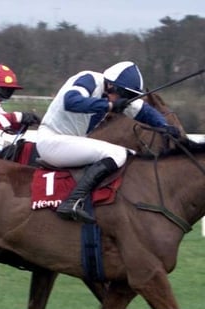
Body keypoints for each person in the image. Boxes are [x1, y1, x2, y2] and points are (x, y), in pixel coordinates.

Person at [35, 61, 179, 224]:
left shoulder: (116, 92)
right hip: (51, 141)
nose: (125, 99)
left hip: (70, 142)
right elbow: (71, 101)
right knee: (118, 154)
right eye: (124, 94)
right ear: (110, 85)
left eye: (129, 96)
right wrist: (109, 105)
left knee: (132, 155)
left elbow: (145, 112)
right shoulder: (89, 79)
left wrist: (165, 126)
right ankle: (72, 202)